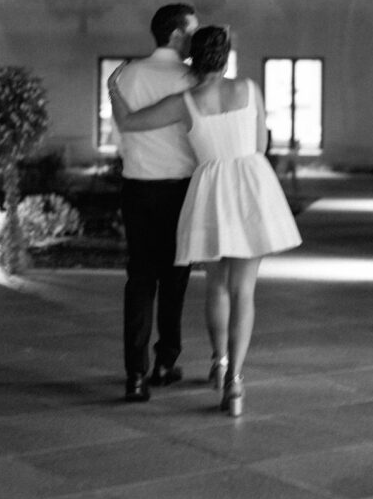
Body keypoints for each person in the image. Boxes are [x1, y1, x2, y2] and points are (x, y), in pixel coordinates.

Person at [109, 25, 302, 417]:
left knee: (217, 286)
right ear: (227, 55)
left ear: (193, 59)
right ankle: (235, 384)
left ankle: (219, 362)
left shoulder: (186, 101)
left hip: (211, 189)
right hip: (252, 185)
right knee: (245, 291)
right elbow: (262, 145)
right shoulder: (249, 88)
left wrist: (114, 90)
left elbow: (129, 123)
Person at [115, 2, 199, 402]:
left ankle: (135, 374)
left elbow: (121, 127)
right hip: (179, 187)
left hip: (137, 184)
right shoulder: (192, 78)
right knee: (175, 276)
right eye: (192, 31)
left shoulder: (126, 74)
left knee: (140, 278)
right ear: (178, 34)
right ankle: (166, 361)